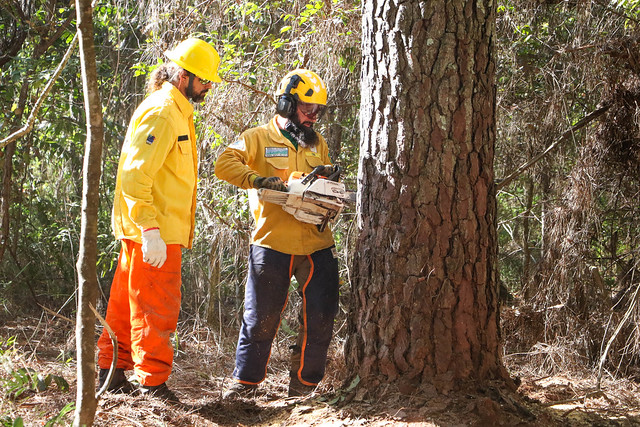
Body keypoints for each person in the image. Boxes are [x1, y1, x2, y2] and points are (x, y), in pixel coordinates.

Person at [96, 37, 222, 401]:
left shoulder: (174, 109)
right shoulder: (165, 111)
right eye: (204, 80)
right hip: (155, 231)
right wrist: (150, 229)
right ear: (183, 76)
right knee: (156, 308)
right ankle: (152, 383)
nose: (208, 87)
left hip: (151, 228)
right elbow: (136, 176)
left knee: (123, 303)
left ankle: (111, 370)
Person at [215, 69, 340, 398]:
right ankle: (245, 386)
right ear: (286, 104)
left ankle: (305, 388)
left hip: (317, 242)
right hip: (272, 243)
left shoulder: (318, 143)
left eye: (318, 112)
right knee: (260, 319)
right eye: (307, 110)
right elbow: (224, 163)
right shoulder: (256, 137)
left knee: (321, 317)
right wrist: (256, 180)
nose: (313, 117)